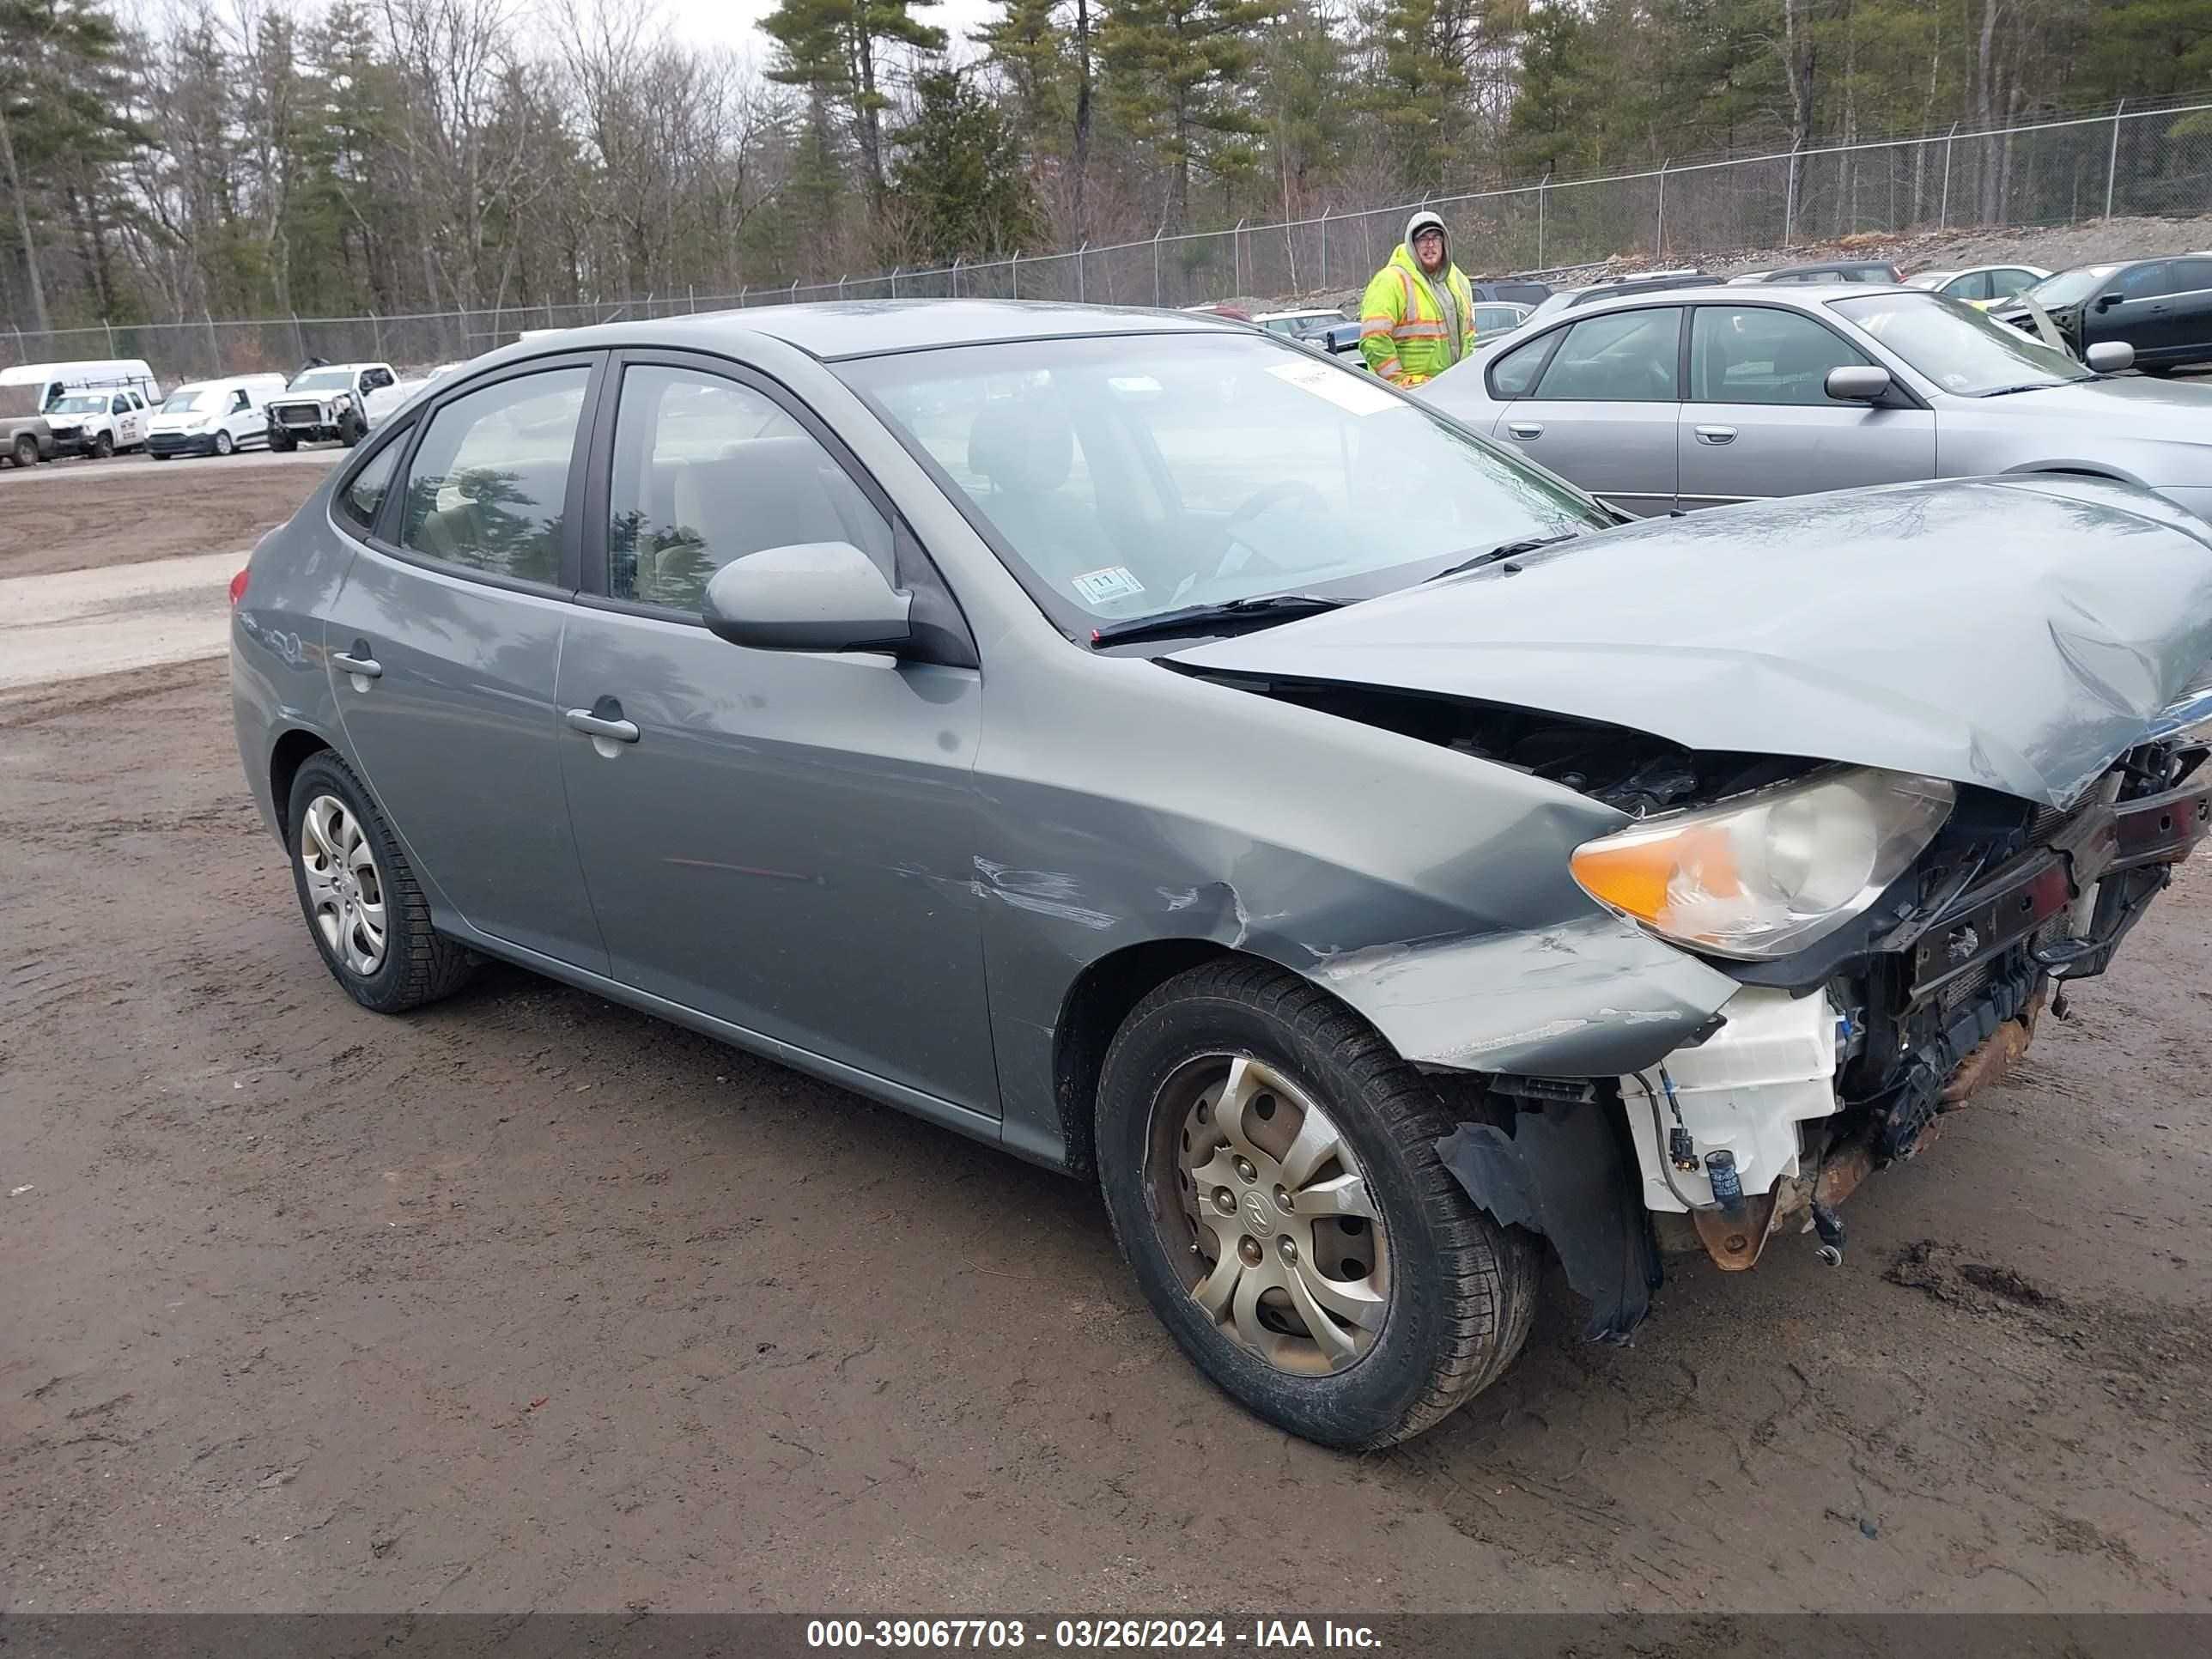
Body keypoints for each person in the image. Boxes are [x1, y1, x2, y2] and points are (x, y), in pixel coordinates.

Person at [1358, 210, 1478, 388]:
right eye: (1422, 238)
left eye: (1436, 237)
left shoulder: (1458, 279)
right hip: (1411, 397)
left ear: (1444, 242)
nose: (1430, 245)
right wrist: (1399, 383)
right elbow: (1373, 339)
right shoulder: (1390, 281)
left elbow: (1469, 336)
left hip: (1452, 390)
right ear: (1411, 244)